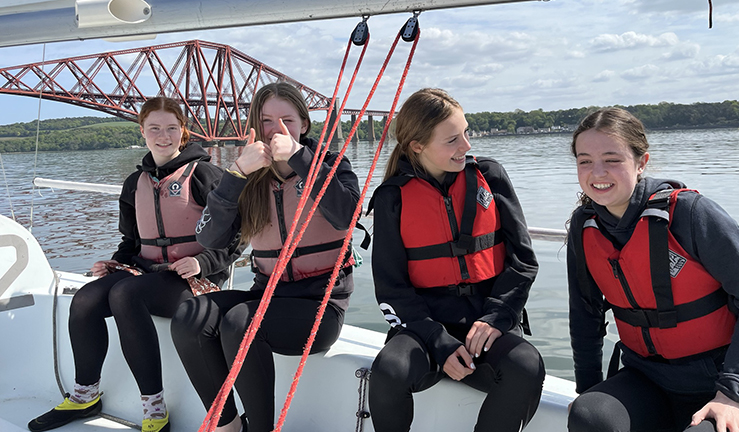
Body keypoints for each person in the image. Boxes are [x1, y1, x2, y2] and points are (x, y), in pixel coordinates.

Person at [27, 97, 243, 432]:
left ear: (183, 132)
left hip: (195, 281)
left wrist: (204, 261)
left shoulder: (205, 175)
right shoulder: (134, 182)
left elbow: (237, 235)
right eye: (154, 128)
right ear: (142, 130)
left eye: (171, 128)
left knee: (127, 295)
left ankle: (154, 409)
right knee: (85, 299)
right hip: (145, 274)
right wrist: (116, 263)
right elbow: (132, 242)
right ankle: (86, 395)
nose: (163, 135)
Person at [170, 82, 360, 432]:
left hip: (321, 305)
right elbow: (210, 237)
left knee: (240, 322)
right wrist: (237, 174)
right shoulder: (249, 178)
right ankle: (227, 426)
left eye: (287, 120)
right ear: (256, 126)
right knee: (189, 315)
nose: (278, 131)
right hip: (267, 296)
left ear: (303, 123)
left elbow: (347, 215)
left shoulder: (331, 164)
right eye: (268, 121)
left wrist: (301, 159)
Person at [367, 88, 545, 432]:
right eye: (452, 140)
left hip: (486, 325)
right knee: (388, 370)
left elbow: (523, 261)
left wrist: (497, 316)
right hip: (424, 330)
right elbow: (391, 288)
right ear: (417, 146)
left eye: (466, 132)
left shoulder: (489, 177)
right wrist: (438, 340)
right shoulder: (392, 198)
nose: (466, 145)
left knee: (526, 366)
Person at [567, 107, 739, 432]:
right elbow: (585, 316)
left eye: (612, 159)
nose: (597, 172)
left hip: (718, 379)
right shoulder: (584, 226)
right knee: (590, 415)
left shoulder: (689, 214)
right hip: (646, 376)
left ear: (641, 162)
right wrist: (588, 387)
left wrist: (732, 392)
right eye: (585, 160)